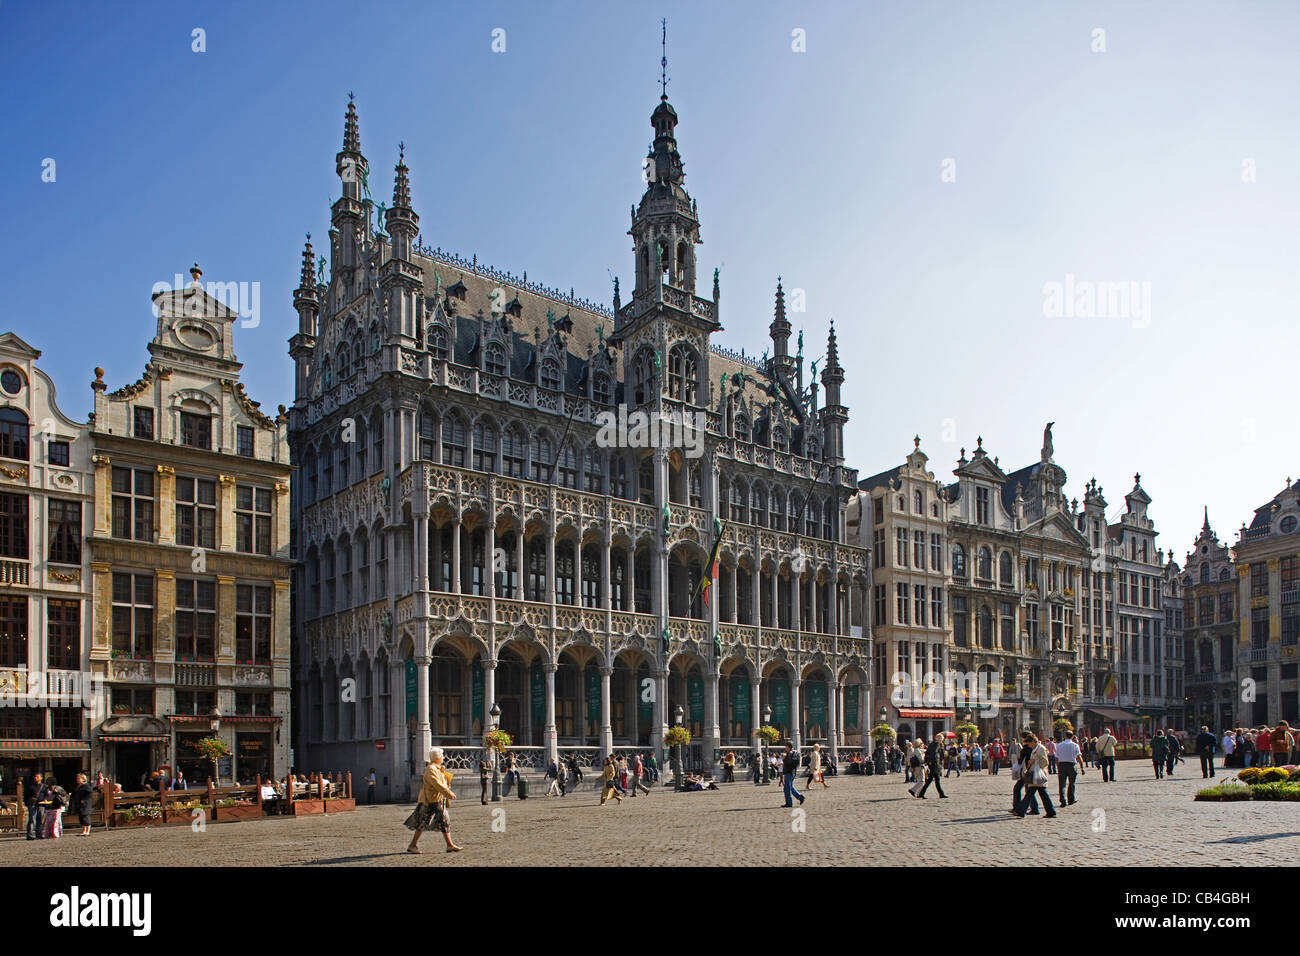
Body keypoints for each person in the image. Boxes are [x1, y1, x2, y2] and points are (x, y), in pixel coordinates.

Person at [405, 748, 461, 854]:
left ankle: (449, 845)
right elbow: (436, 784)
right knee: (434, 821)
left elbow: (440, 782)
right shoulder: (431, 769)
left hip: (436, 799)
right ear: (437, 758)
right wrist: (448, 793)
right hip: (432, 800)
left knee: (438, 821)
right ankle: (413, 845)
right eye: (442, 756)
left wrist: (447, 786)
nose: (443, 758)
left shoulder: (437, 768)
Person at [1013, 733, 1056, 818]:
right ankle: (1051, 812)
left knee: (1029, 794)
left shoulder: (1040, 749)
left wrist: (1034, 761)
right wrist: (1030, 763)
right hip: (1035, 774)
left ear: (1033, 741)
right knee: (1043, 794)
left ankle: (1021, 811)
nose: (1028, 746)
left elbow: (1045, 763)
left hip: (1038, 774)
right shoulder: (1034, 749)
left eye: (1029, 744)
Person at [1055, 730, 1083, 806]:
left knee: (1062, 784)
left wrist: (1058, 766)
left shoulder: (1059, 745)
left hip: (1062, 765)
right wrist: (1082, 767)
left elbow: (1056, 758)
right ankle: (1071, 799)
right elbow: (1079, 757)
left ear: (1065, 736)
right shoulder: (1075, 745)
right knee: (1072, 783)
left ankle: (1063, 800)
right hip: (1072, 765)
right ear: (1072, 736)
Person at [916, 733, 947, 799]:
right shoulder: (937, 744)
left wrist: (927, 761)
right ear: (940, 739)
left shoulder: (932, 744)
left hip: (932, 763)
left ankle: (922, 793)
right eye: (941, 739)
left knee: (931, 780)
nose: (941, 740)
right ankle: (941, 794)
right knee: (935, 780)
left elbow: (927, 753)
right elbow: (934, 753)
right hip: (935, 764)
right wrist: (932, 762)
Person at [780, 742, 805, 808]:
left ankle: (789, 803)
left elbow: (788, 762)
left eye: (786, 746)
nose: (785, 747)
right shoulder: (795, 753)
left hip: (788, 772)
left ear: (788, 747)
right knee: (790, 787)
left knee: (787, 788)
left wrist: (784, 759)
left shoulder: (789, 753)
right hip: (793, 772)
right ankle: (800, 797)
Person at [24, 772, 47, 840]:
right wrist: (27, 803)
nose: (35, 778)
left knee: (40, 820)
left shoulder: (44, 786)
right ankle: (30, 835)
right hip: (32, 805)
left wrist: (45, 799)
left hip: (41, 804)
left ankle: (39, 834)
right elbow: (26, 795)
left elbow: (47, 794)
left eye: (37, 777)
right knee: (32, 819)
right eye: (35, 777)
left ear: (41, 778)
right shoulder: (30, 786)